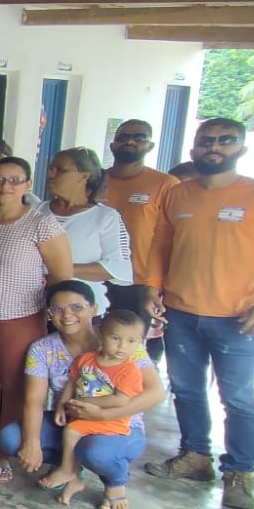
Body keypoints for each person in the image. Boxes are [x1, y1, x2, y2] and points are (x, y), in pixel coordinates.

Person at [142, 118, 254, 509]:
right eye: (206, 140)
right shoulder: (177, 195)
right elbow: (161, 245)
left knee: (238, 397)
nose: (214, 147)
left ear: (241, 149)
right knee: (186, 388)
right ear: (194, 148)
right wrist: (152, 287)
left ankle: (240, 473)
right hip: (181, 312)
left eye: (226, 141)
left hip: (240, 316)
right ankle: (195, 457)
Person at [0, 281, 166, 509]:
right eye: (57, 309)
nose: (67, 315)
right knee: (11, 438)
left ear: (93, 308)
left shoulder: (121, 340)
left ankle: (115, 481)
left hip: (118, 427)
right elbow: (34, 400)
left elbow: (156, 392)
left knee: (97, 453)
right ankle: (70, 468)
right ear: (49, 314)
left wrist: (105, 414)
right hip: (70, 422)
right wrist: (32, 442)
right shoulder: (42, 349)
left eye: (76, 307)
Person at [0, 156, 74, 484]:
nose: (6, 186)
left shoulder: (41, 224)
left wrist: (56, 320)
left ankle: (4, 452)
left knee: (16, 385)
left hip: (21, 317)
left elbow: (62, 278)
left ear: (28, 185)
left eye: (15, 180)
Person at [38, 310, 148, 506]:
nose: (122, 346)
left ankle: (68, 469)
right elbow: (72, 383)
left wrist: (88, 403)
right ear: (100, 334)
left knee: (72, 433)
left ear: (140, 342)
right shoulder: (86, 359)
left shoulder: (130, 370)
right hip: (83, 416)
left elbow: (121, 400)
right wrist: (63, 405)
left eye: (131, 341)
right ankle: (74, 479)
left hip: (111, 422)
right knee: (70, 434)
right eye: (115, 338)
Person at [99, 120, 177, 361]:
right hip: (94, 276)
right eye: (123, 137)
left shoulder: (165, 184)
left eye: (139, 137)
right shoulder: (96, 180)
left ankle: (125, 397)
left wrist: (159, 284)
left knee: (125, 352)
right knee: (90, 346)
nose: (130, 142)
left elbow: (174, 235)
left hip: (138, 280)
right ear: (113, 145)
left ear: (150, 145)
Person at [45, 148, 131, 314]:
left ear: (84, 176)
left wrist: (62, 271)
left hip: (81, 314)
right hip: (34, 310)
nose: (51, 175)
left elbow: (119, 267)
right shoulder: (35, 211)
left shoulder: (105, 217)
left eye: (60, 170)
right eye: (51, 169)